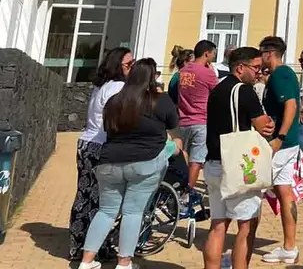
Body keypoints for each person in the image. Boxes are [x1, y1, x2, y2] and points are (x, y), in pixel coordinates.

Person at [76, 58, 179, 269]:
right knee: (133, 212)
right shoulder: (160, 100)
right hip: (145, 163)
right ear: (153, 77)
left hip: (109, 162)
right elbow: (174, 125)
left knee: (106, 211)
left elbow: (107, 128)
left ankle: (86, 261)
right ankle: (124, 263)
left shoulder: (114, 100)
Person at [203, 47, 274, 269]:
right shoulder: (243, 90)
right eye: (255, 68)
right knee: (247, 225)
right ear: (240, 68)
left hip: (213, 161)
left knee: (218, 226)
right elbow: (265, 126)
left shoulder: (217, 89)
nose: (259, 73)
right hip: (238, 165)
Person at [69, 47, 132, 260]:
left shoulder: (101, 86)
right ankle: (97, 247)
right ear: (118, 65)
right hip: (102, 144)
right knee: (104, 202)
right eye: (128, 64)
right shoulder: (118, 87)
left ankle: (78, 245)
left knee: (85, 197)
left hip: (87, 142)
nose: (131, 68)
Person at [259, 35, 302, 264]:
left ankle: (245, 240)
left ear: (269, 53)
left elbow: (291, 105)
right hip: (288, 143)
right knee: (284, 192)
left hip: (281, 144)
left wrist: (280, 137)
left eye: (261, 52)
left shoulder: (280, 75)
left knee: (254, 187)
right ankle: (289, 246)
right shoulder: (281, 76)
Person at [177, 39, 218, 198]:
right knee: (196, 160)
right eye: (213, 54)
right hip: (201, 120)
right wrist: (212, 72)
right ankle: (185, 194)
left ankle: (176, 189)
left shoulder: (184, 71)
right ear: (207, 53)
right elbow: (216, 93)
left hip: (183, 119)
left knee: (184, 156)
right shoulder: (207, 73)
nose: (213, 57)